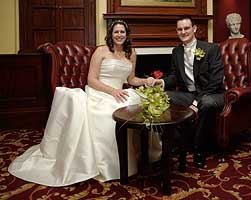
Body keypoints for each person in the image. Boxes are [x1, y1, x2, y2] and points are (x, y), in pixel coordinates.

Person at [8, 20, 158, 186]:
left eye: (122, 32)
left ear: (127, 34)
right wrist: (112, 91)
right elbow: (91, 80)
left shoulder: (132, 53)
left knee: (140, 107)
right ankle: (108, 165)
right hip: (100, 92)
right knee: (110, 115)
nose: (119, 35)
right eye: (116, 32)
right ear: (110, 34)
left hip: (120, 92)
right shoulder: (101, 51)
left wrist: (146, 80)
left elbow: (131, 79)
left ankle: (139, 157)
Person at [149, 15, 225, 168]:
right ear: (177, 31)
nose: (183, 32)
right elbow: (175, 77)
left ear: (194, 29)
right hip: (189, 94)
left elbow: (215, 82)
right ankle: (178, 141)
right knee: (163, 96)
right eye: (180, 29)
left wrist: (196, 102)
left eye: (186, 28)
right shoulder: (176, 51)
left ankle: (199, 148)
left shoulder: (211, 49)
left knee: (206, 103)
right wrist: (161, 82)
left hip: (213, 94)